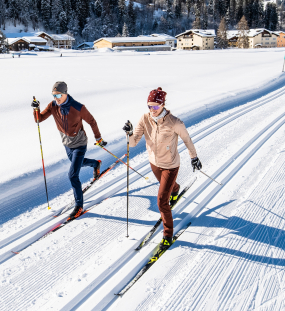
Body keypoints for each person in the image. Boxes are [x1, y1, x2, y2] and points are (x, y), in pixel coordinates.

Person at [123, 87, 201, 249]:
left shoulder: (175, 122)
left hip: (171, 165)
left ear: (163, 105)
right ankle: (175, 189)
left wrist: (194, 157)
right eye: (149, 106)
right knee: (168, 187)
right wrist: (128, 134)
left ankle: (167, 234)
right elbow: (133, 142)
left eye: (156, 107)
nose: (152, 110)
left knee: (161, 202)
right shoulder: (145, 119)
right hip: (154, 163)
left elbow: (187, 139)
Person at [33, 81, 105, 220]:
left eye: (59, 94)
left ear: (65, 93)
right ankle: (96, 164)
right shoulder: (53, 106)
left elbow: (92, 121)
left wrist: (99, 138)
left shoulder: (78, 107)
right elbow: (39, 119)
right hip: (67, 144)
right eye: (54, 95)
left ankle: (79, 206)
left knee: (73, 175)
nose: (56, 98)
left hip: (79, 143)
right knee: (76, 163)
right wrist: (36, 109)